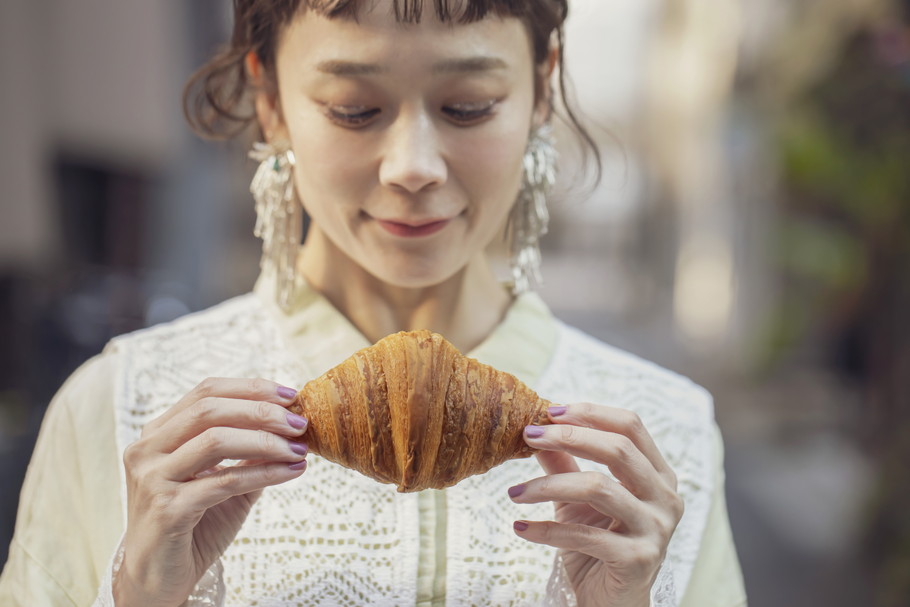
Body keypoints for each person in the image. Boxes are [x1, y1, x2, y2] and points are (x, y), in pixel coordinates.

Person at [0, 1, 747, 605]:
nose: (413, 165)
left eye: (468, 105)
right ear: (270, 99)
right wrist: (142, 594)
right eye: (355, 109)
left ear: (541, 88)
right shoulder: (121, 407)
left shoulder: (668, 432)